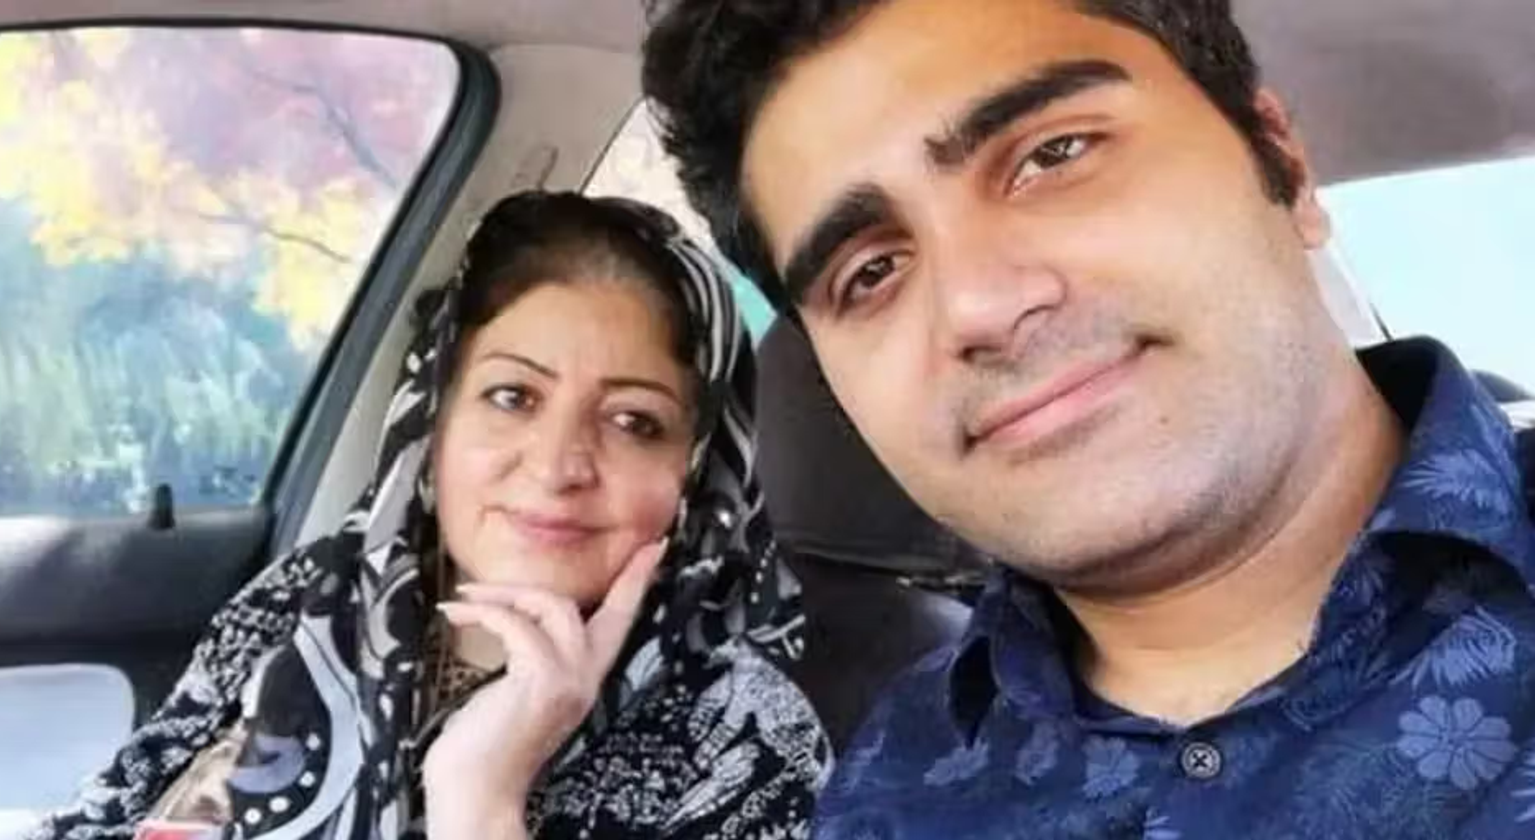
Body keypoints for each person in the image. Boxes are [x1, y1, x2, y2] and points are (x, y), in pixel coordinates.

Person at [642, 0, 1535, 836]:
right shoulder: (880, 791)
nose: (980, 306)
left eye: (1053, 155)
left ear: (1281, 162)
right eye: (870, 273)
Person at [31, 192, 828, 840]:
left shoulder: (748, 743)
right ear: (433, 419)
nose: (557, 466)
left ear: (701, 468)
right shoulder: (314, 596)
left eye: (634, 421)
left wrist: (481, 806)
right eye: (512, 396)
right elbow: (114, 805)